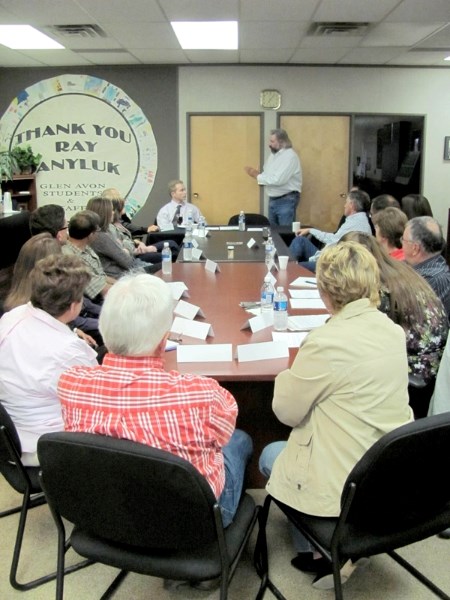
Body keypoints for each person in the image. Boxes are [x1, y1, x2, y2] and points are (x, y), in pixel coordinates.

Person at [259, 242, 413, 589]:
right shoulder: (391, 330)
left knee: (271, 454)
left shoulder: (326, 341)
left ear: (325, 291)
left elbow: (285, 411)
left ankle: (325, 552)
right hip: (387, 472)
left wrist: (286, 375)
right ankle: (344, 542)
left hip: (345, 488)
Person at [58, 273, 252, 531]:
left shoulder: (70, 384)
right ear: (164, 341)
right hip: (191, 525)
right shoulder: (203, 395)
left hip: (106, 517)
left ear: (104, 329)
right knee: (239, 440)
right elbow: (223, 433)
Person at [0, 254, 97, 466]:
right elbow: (98, 404)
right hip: (46, 443)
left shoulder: (12, 316)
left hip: (13, 435)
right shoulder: (67, 351)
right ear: (73, 306)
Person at [342, 232, 448, 391]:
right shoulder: (398, 269)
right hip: (433, 364)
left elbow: (363, 333)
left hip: (416, 372)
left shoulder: (380, 287)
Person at [289, 189, 372, 272]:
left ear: (352, 205)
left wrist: (312, 231)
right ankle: (287, 266)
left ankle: (286, 270)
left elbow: (332, 241)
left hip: (333, 266)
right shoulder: (357, 220)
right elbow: (335, 238)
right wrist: (311, 230)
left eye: (346, 202)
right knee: (300, 240)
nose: (344, 205)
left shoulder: (356, 224)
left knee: (295, 267)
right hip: (328, 257)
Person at [86, 196, 161, 276]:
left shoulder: (109, 228)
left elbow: (127, 241)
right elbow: (128, 262)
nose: (113, 212)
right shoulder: (101, 237)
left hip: (129, 267)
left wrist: (124, 247)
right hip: (123, 274)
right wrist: (124, 248)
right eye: (111, 210)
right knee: (164, 267)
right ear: (104, 213)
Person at [244, 128, 301, 227]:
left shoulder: (290, 156)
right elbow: (268, 174)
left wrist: (256, 175)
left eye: (272, 141)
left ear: (281, 142)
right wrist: (259, 175)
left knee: (284, 235)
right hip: (273, 199)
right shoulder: (273, 155)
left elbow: (278, 180)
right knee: (273, 234)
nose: (269, 144)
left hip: (286, 200)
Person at [402, 216, 450, 319]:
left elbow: (407, 316)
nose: (401, 244)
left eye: (403, 240)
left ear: (415, 248)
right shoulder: (417, 265)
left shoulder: (432, 279)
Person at [61, 210, 116, 300]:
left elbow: (101, 277)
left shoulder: (85, 248)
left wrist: (122, 284)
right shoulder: (71, 259)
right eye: (97, 230)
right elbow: (102, 289)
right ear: (90, 235)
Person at [110, 197, 179, 262]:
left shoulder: (119, 223)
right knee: (166, 257)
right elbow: (124, 245)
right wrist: (144, 249)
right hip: (135, 255)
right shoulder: (114, 227)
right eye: (123, 206)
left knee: (172, 244)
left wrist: (139, 243)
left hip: (138, 247)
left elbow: (128, 237)